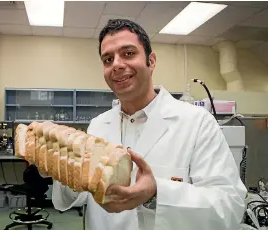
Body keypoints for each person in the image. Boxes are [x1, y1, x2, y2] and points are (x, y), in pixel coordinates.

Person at [52, 19, 247, 230]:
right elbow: (79, 197)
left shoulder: (196, 122)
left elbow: (230, 206)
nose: (116, 64)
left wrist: (156, 193)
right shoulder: (98, 126)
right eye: (108, 59)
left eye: (128, 53)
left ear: (151, 61)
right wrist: (62, 170)